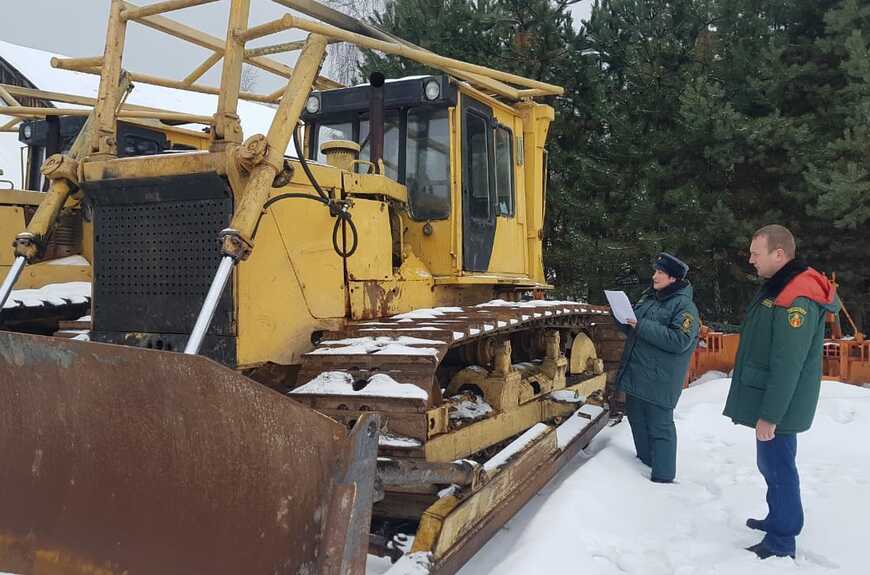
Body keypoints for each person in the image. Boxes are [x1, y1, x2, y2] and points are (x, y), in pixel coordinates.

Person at [723, 224, 839, 560]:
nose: (749, 260)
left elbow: (788, 363)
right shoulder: (781, 286)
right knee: (771, 465)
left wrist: (771, 415)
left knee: (779, 469)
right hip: (775, 400)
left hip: (781, 405)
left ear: (778, 254)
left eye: (755, 254)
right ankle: (777, 518)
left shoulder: (796, 297)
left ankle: (782, 539)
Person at [614, 252, 700, 483]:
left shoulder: (685, 306)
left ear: (673, 278)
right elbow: (633, 328)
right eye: (655, 271)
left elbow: (680, 340)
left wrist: (640, 325)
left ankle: (663, 478)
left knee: (660, 428)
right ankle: (645, 463)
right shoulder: (649, 298)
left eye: (660, 272)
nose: (654, 276)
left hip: (660, 379)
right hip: (639, 374)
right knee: (635, 418)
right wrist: (620, 317)